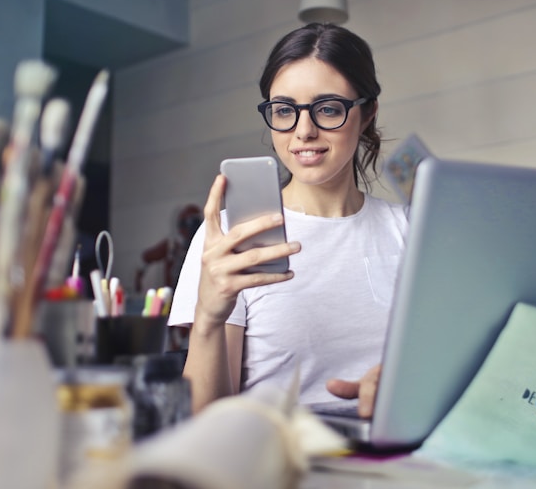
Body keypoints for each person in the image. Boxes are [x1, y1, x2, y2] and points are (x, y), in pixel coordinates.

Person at [168, 23, 407, 415]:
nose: (304, 131)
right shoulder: (231, 237)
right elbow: (205, 421)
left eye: (328, 108)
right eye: (284, 111)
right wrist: (209, 316)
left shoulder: (411, 231)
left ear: (367, 114)